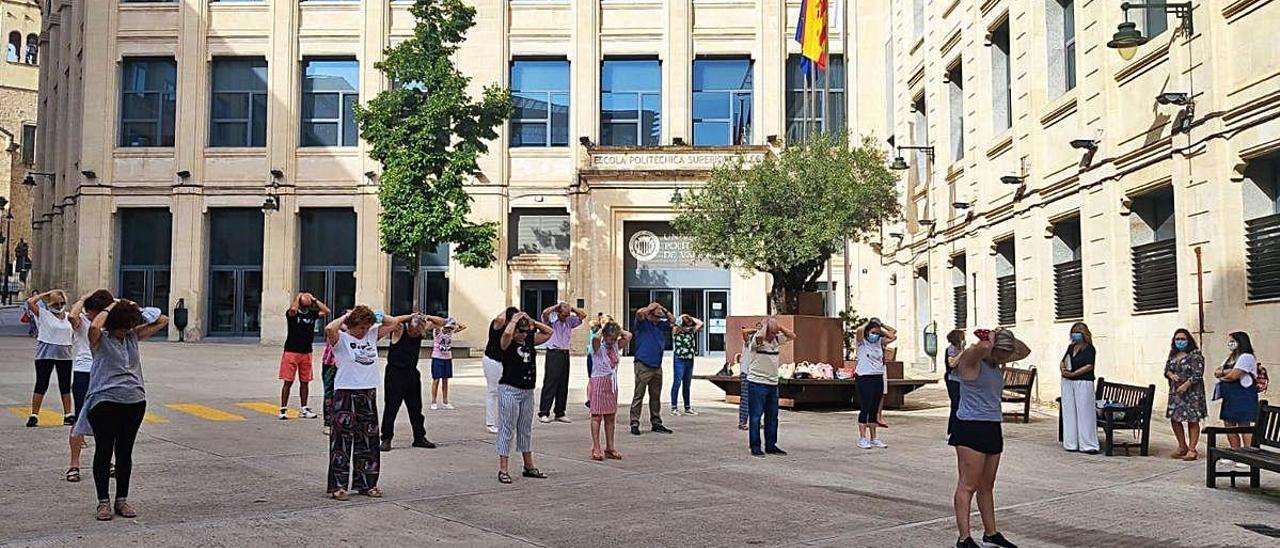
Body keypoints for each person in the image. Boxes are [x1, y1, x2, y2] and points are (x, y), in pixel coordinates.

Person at [72, 299, 168, 521]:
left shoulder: (132, 337)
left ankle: (122, 500)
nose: (125, 330)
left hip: (133, 401)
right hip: (104, 401)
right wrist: (111, 307)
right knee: (104, 450)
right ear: (113, 323)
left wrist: (133, 310)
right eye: (122, 326)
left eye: (128, 326)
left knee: (125, 452)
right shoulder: (100, 340)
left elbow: (162, 319)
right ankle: (103, 502)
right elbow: (95, 326)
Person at [949, 328, 1029, 548]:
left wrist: (1005, 334)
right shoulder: (970, 362)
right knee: (968, 485)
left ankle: (991, 533)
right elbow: (981, 349)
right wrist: (989, 339)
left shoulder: (993, 363)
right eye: (1002, 355)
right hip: (970, 427)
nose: (1004, 360)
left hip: (992, 425)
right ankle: (964, 538)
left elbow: (1024, 351)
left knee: (987, 485)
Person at [323, 306, 401, 500]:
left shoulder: (371, 336)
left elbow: (393, 323)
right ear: (352, 325)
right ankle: (338, 486)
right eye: (361, 327)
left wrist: (378, 316)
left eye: (367, 327)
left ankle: (367, 484)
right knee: (341, 441)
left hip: (368, 392)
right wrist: (347, 316)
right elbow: (329, 329)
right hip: (345, 393)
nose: (364, 331)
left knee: (368, 440)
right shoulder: (341, 339)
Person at [495, 312, 554, 484]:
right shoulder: (506, 343)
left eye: (526, 331)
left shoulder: (529, 341)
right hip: (510, 389)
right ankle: (503, 468)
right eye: (520, 331)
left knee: (525, 428)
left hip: (527, 391)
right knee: (507, 428)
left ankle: (529, 465)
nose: (523, 334)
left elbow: (549, 333)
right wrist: (513, 320)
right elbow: (506, 335)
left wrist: (532, 322)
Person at [66, 289, 116, 483]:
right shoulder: (83, 323)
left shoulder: (109, 325)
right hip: (84, 372)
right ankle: (74, 464)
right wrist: (84, 298)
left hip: (105, 373)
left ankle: (108, 461)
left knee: (108, 420)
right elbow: (72, 315)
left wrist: (113, 304)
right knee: (80, 419)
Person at [380, 313, 437, 452]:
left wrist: (427, 317)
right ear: (409, 326)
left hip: (411, 373)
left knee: (416, 407)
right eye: (415, 330)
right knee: (391, 407)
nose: (417, 333)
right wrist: (410, 316)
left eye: (420, 331)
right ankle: (386, 438)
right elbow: (388, 319)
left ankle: (419, 437)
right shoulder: (399, 329)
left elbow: (441, 322)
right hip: (395, 373)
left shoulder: (420, 330)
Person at [743, 317, 796, 457]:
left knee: (772, 416)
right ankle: (755, 446)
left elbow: (792, 336)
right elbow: (760, 335)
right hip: (757, 383)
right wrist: (766, 324)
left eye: (775, 332)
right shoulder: (757, 340)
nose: (773, 335)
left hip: (772, 383)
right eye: (771, 332)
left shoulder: (776, 340)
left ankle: (771, 445)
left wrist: (779, 327)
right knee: (755, 416)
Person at [26, 289, 75, 427]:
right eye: (55, 303)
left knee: (65, 385)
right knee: (42, 384)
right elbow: (30, 302)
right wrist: (47, 294)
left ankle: (68, 414)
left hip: (65, 355)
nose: (59, 306)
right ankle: (34, 415)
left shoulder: (67, 316)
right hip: (45, 354)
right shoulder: (44, 314)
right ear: (49, 304)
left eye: (62, 303)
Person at [279, 292, 330, 420]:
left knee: (305, 382)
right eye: (305, 299)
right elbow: (292, 310)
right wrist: (297, 297)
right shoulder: (292, 314)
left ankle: (304, 408)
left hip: (306, 352)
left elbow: (326, 311)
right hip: (291, 351)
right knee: (288, 381)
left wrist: (314, 299)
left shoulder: (312, 314)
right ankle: (283, 409)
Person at [588, 317, 631, 461]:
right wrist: (603, 328)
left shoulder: (615, 346)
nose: (611, 341)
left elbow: (629, 336)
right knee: (596, 416)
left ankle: (610, 447)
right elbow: (595, 338)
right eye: (609, 338)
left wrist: (616, 329)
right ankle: (596, 447)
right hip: (599, 381)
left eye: (614, 339)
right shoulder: (597, 346)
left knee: (610, 416)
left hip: (611, 383)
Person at [1214, 331, 1260, 462]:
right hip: (1230, 397)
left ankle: (1247, 456)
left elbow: (1234, 375)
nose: (1230, 343)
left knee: (1244, 425)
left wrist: (1225, 374)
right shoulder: (1231, 357)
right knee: (1229, 424)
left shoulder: (1247, 357)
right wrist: (1226, 373)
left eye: (1232, 340)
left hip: (1243, 397)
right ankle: (1235, 453)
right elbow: (1217, 371)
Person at [630, 302, 675, 436]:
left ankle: (656, 422)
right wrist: (651, 307)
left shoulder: (661, 325)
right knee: (639, 394)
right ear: (650, 315)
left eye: (659, 317)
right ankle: (634, 422)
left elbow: (673, 321)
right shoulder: (642, 324)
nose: (658, 319)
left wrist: (665, 310)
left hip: (657, 365)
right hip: (643, 364)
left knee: (655, 396)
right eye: (656, 316)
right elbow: (639, 313)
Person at [539, 301, 586, 423]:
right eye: (564, 315)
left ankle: (560, 412)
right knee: (551, 382)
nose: (566, 317)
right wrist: (556, 307)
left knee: (563, 383)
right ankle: (544, 412)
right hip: (554, 352)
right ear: (558, 313)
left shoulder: (569, 321)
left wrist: (572, 309)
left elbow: (583, 315)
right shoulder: (552, 321)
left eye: (567, 315)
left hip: (565, 353)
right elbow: (545, 313)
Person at [1164, 328, 1206, 461]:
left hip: (1191, 392)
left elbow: (1198, 374)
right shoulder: (1173, 355)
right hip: (1175, 392)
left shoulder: (1195, 355)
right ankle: (1182, 446)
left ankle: (1192, 449)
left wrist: (1186, 385)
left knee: (1192, 419)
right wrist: (1171, 375)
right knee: (1175, 419)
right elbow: (1167, 370)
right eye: (1177, 339)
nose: (1180, 342)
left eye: (1183, 339)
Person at [854, 319, 896, 449]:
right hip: (864, 377)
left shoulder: (879, 342)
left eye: (877, 333)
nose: (875, 335)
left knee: (874, 409)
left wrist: (880, 326)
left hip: (877, 376)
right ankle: (862, 438)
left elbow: (892, 335)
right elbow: (859, 331)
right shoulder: (862, 342)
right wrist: (868, 323)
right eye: (872, 333)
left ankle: (873, 437)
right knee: (865, 407)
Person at [1059, 322, 1100, 454]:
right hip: (1068, 382)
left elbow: (1089, 365)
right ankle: (1071, 443)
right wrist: (1063, 370)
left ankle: (1088, 444)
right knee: (1069, 412)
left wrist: (1074, 374)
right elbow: (1063, 360)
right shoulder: (1071, 347)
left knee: (1085, 412)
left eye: (1078, 332)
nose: (1075, 335)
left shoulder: (1089, 349)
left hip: (1083, 381)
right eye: (1073, 332)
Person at [483, 307, 519, 434]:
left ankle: (504, 421)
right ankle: (490, 423)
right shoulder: (497, 325)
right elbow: (499, 318)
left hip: (504, 362)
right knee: (493, 391)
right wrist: (507, 310)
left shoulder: (513, 329)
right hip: (492, 360)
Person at [671, 314, 704, 416]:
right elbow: (676, 323)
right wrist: (681, 317)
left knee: (687, 384)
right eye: (686, 326)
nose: (688, 328)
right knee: (677, 382)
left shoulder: (691, 332)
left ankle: (687, 407)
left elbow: (700, 323)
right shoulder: (676, 332)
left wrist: (689, 317)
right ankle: (674, 407)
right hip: (679, 359)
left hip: (690, 359)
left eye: (690, 326)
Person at [430, 316, 465, 410]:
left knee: (445, 380)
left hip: (447, 358)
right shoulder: (438, 332)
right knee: (436, 380)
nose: (449, 330)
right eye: (447, 328)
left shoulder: (451, 332)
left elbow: (463, 326)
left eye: (450, 328)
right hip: (437, 357)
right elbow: (435, 324)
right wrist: (443, 322)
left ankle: (445, 401)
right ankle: (433, 401)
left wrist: (453, 322)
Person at [944, 329, 966, 440]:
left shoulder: (962, 349)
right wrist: (962, 353)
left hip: (963, 380)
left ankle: (962, 429)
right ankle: (952, 431)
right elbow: (952, 363)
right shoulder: (951, 350)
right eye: (962, 337)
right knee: (956, 404)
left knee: (962, 405)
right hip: (953, 379)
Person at [585, 312, 605, 409]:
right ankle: (592, 398)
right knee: (596, 378)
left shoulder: (592, 331)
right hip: (595, 356)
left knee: (591, 378)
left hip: (591, 355)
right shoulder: (599, 332)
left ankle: (590, 398)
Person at [321, 333, 338, 436]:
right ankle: (328, 423)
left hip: (345, 364)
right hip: (331, 363)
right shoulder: (338, 328)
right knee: (329, 393)